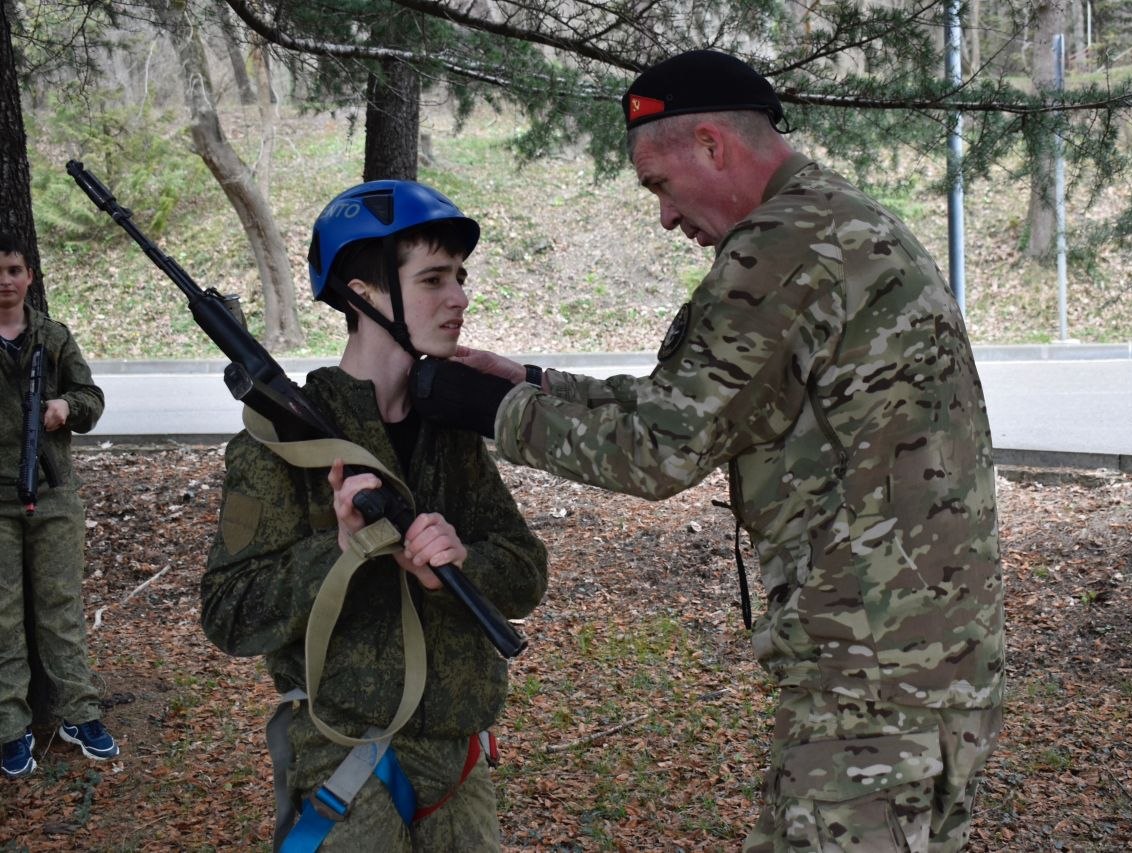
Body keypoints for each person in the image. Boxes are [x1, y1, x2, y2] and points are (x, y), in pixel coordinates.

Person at [413, 51, 1005, 852]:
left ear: (714, 147)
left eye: (659, 185)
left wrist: (492, 408)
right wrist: (532, 381)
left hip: (875, 691)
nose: (664, 217)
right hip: (899, 673)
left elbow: (660, 448)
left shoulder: (784, 246)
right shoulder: (833, 221)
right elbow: (702, 400)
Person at [200, 181, 548, 851]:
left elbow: (526, 572)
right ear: (363, 294)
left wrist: (463, 561)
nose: (460, 298)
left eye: (461, 278)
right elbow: (229, 612)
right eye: (434, 279)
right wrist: (336, 547)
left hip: (458, 762)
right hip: (345, 760)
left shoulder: (449, 426)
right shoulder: (279, 445)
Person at [0, 231, 118, 780]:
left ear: (28, 277)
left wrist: (64, 407)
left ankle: (78, 713)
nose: (6, 281)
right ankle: (9, 725)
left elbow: (92, 399)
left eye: (15, 270)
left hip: (52, 493)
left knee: (60, 609)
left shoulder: (52, 336)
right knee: (3, 618)